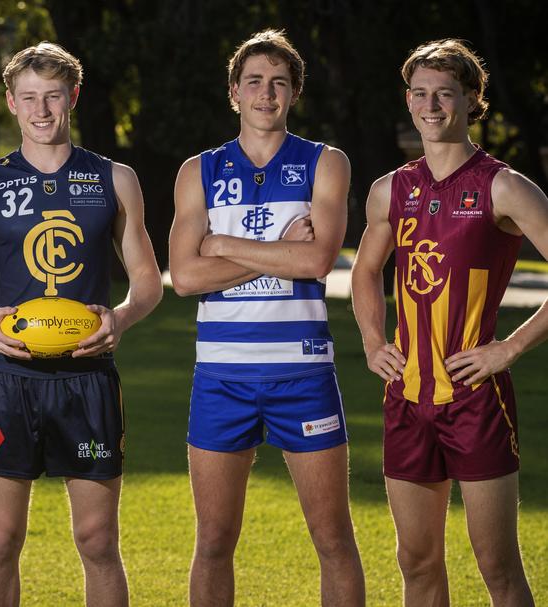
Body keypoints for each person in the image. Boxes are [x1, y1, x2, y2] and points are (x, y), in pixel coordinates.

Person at [0, 42, 162, 607]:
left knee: (97, 540)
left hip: (87, 380)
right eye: (29, 98)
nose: (41, 111)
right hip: (8, 381)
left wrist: (123, 316)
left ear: (73, 98)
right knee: (1, 540)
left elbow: (148, 279)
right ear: (11, 102)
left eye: (53, 96)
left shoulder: (114, 178)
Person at [169, 29, 364, 607]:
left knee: (333, 540)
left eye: (279, 82)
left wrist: (220, 245)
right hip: (220, 378)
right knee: (213, 542)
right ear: (234, 92)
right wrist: (278, 247)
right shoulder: (197, 171)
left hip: (303, 376)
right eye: (254, 81)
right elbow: (185, 278)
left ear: (294, 92)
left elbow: (317, 259)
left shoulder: (325, 162)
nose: (265, 92)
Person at [351, 39, 544, 606]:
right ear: (407, 100)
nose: (430, 105)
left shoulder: (503, 185)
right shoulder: (391, 189)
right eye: (419, 93)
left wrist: (507, 349)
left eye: (444, 93)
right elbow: (364, 274)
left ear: (472, 99)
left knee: (497, 566)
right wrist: (371, 340)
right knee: (415, 561)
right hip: (407, 396)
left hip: (474, 398)